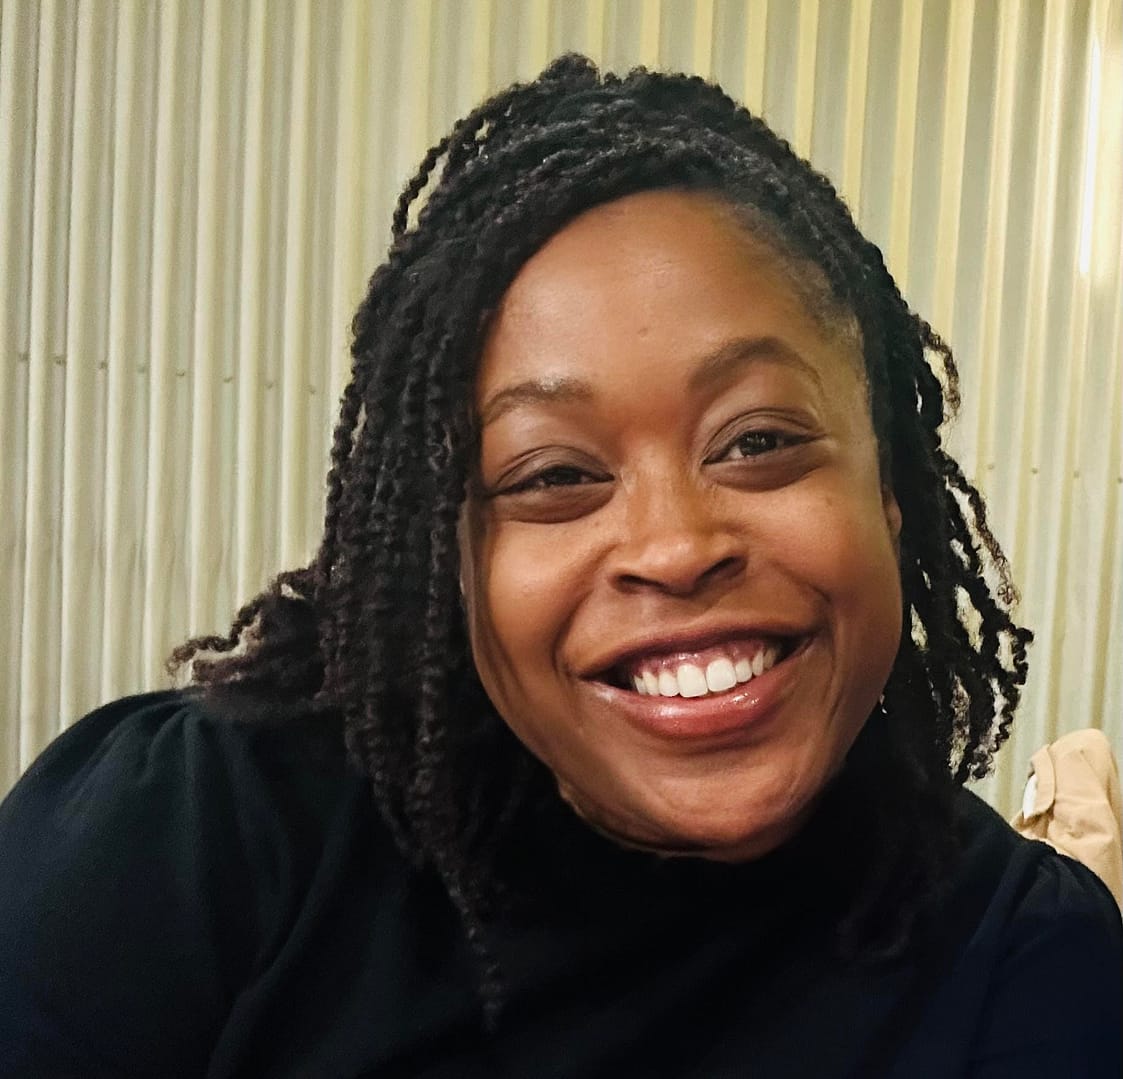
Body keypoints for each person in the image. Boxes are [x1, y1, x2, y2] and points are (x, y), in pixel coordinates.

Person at [0, 55, 1119, 1078]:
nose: (676, 546)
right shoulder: (196, 840)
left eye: (758, 441)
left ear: (889, 491)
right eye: (551, 475)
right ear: (451, 548)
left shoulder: (1021, 956)